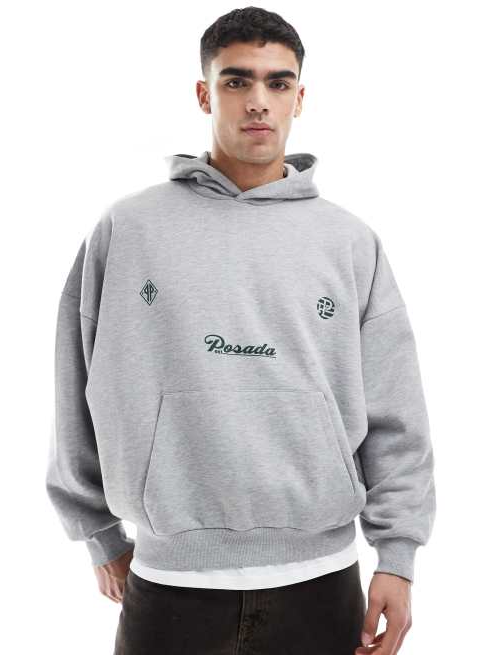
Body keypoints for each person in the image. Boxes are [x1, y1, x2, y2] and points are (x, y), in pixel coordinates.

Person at [45, 7, 436, 654]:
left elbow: (396, 413)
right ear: (205, 93)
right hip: (168, 583)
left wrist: (397, 555)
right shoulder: (129, 231)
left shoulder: (348, 241)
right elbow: (75, 383)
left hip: (321, 581)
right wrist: (97, 532)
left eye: (278, 83)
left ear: (299, 98)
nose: (258, 101)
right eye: (236, 80)